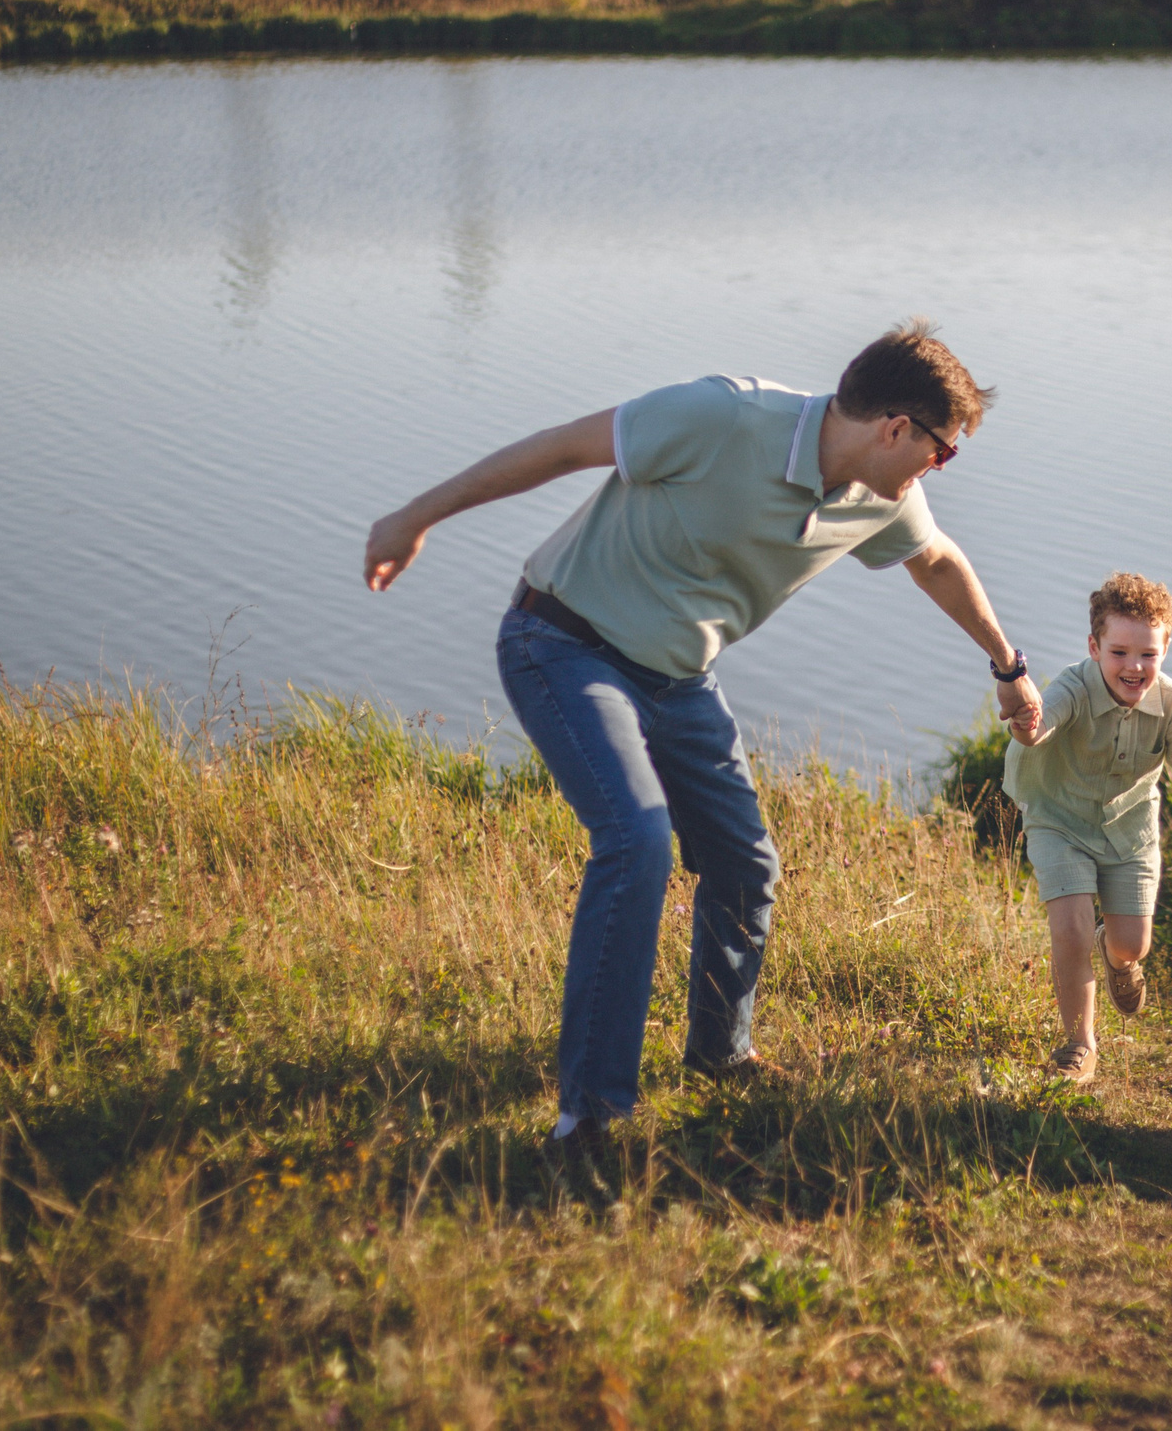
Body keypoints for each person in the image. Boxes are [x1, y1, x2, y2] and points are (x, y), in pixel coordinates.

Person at [362, 322, 1042, 1152]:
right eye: (942, 452)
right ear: (894, 427)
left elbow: (935, 561)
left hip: (680, 676)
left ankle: (721, 1055)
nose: (938, 471)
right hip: (564, 641)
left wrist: (1009, 668)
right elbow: (560, 448)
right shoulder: (721, 416)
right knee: (637, 836)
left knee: (745, 863)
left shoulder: (884, 493)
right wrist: (415, 515)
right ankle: (590, 1117)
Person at [1003, 573, 1172, 1085]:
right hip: (1058, 818)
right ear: (1094, 648)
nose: (1134, 667)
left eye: (1147, 655)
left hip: (1129, 828)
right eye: (1119, 652)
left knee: (1132, 944)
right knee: (1069, 928)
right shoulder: (1073, 686)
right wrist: (1028, 724)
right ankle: (1080, 1044)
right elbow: (1040, 725)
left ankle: (1118, 958)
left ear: (1164, 651)